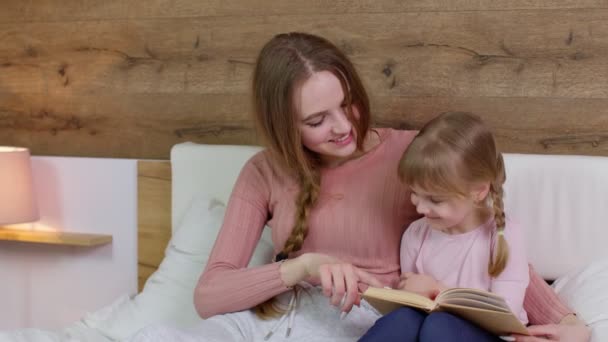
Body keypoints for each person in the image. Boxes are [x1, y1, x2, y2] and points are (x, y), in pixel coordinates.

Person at [129, 32, 589, 341]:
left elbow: (486, 235)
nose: (342, 126)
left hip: (392, 320)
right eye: (315, 120)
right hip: (301, 319)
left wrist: (569, 323)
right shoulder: (262, 172)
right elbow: (209, 295)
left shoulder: (412, 158)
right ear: (282, 126)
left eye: (347, 104)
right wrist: (304, 265)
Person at [359, 111, 529, 342]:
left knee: (439, 325)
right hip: (431, 330)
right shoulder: (416, 234)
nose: (420, 208)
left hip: (490, 336)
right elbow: (412, 302)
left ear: (478, 191)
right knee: (403, 319)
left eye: (435, 200)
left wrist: (436, 289)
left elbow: (505, 316)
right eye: (415, 194)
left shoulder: (503, 234)